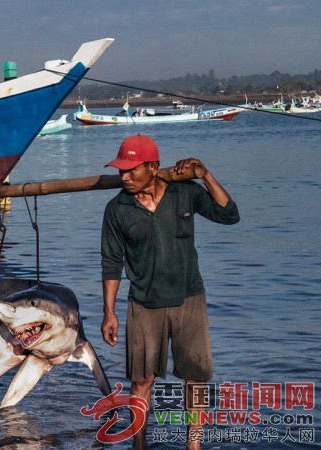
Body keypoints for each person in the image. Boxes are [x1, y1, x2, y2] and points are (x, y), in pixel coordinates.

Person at [99, 135, 240, 450]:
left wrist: (206, 174)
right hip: (144, 304)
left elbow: (229, 214)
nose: (123, 177)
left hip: (189, 298)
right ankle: (139, 446)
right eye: (120, 170)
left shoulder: (185, 193)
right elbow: (111, 263)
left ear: (152, 167)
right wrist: (109, 311)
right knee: (142, 381)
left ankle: (194, 446)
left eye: (130, 170)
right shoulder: (117, 209)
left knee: (196, 378)